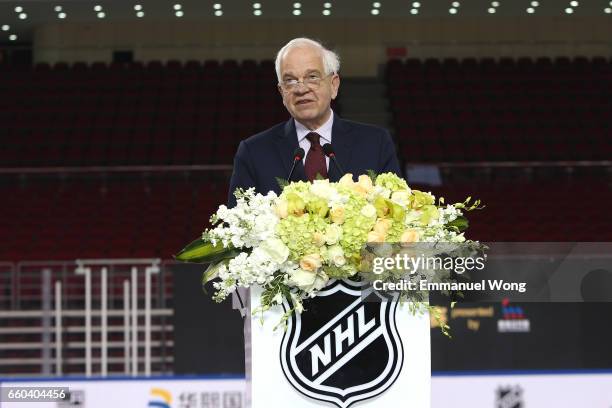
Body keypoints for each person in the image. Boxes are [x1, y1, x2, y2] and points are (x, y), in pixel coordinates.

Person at [227, 37, 401, 208]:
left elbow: (395, 215)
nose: (301, 89)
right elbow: (237, 226)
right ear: (282, 92)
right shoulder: (254, 152)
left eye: (312, 77)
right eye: (290, 80)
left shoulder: (375, 142)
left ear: (334, 85)